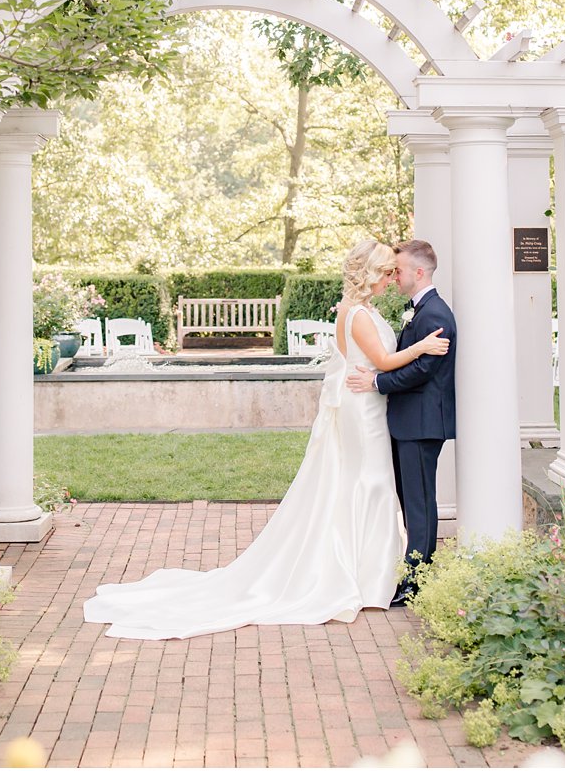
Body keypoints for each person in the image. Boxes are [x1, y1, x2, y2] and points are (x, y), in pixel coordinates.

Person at [81, 239, 450, 640]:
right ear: (369, 274)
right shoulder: (358, 314)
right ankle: (365, 576)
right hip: (364, 410)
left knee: (363, 485)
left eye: (393, 272)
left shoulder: (359, 309)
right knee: (369, 484)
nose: (390, 278)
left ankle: (368, 570)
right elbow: (381, 362)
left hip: (367, 405)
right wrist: (423, 346)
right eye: (384, 271)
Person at [345, 239, 455, 605]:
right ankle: (410, 570)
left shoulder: (435, 314)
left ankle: (416, 581)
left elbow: (422, 371)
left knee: (420, 503)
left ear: (418, 272)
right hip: (406, 420)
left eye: (400, 270)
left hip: (422, 423)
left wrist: (377, 382)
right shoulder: (418, 310)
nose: (395, 276)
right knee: (411, 501)